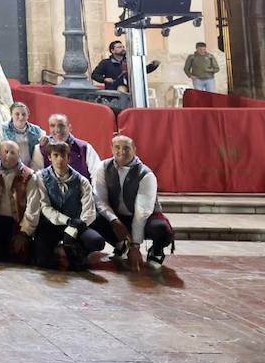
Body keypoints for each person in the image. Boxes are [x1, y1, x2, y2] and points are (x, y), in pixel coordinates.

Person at [93, 133, 174, 271]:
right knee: (94, 218)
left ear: (134, 149)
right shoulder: (102, 167)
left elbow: (142, 211)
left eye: (126, 148)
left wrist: (135, 246)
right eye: (117, 147)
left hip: (144, 217)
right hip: (118, 215)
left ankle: (156, 251)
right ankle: (120, 245)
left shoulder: (146, 174)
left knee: (162, 229)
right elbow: (100, 200)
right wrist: (114, 221)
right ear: (111, 148)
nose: (121, 151)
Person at [21, 140, 107, 270]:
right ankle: (55, 249)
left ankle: (75, 250)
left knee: (96, 242)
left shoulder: (81, 181)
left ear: (68, 157)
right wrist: (67, 221)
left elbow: (89, 211)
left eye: (63, 156)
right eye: (56, 155)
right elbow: (45, 207)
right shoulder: (40, 177)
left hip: (76, 225)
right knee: (41, 261)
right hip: (51, 224)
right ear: (49, 157)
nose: (60, 159)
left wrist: (75, 227)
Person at [40, 113, 103, 179]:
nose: (57, 130)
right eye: (52, 126)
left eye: (61, 125)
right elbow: (37, 176)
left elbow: (97, 174)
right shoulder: (42, 148)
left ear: (69, 128)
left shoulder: (84, 148)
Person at [0, 102, 46, 170]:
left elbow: (40, 153)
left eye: (24, 114)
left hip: (31, 169)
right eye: (17, 114)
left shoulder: (37, 131)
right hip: (8, 169)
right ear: (11, 115)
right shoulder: (2, 129)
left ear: (28, 115)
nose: (21, 117)